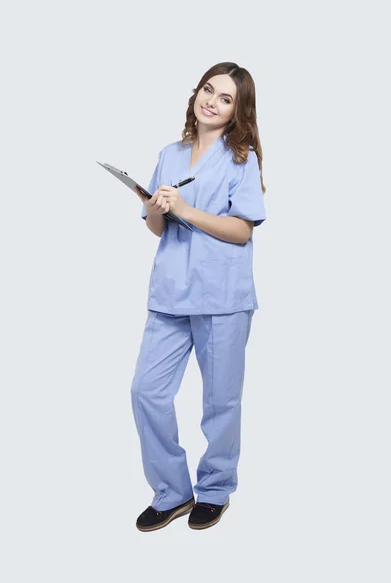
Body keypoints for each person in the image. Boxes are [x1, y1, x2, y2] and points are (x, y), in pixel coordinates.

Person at [130, 61, 267, 532]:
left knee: (220, 401)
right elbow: (157, 229)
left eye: (225, 97)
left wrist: (187, 209)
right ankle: (172, 492)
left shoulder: (241, 159)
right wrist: (155, 209)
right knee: (146, 392)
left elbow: (242, 230)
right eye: (208, 89)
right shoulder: (170, 153)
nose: (212, 100)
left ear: (236, 111)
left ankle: (215, 489)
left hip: (222, 295)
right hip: (171, 293)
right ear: (196, 94)